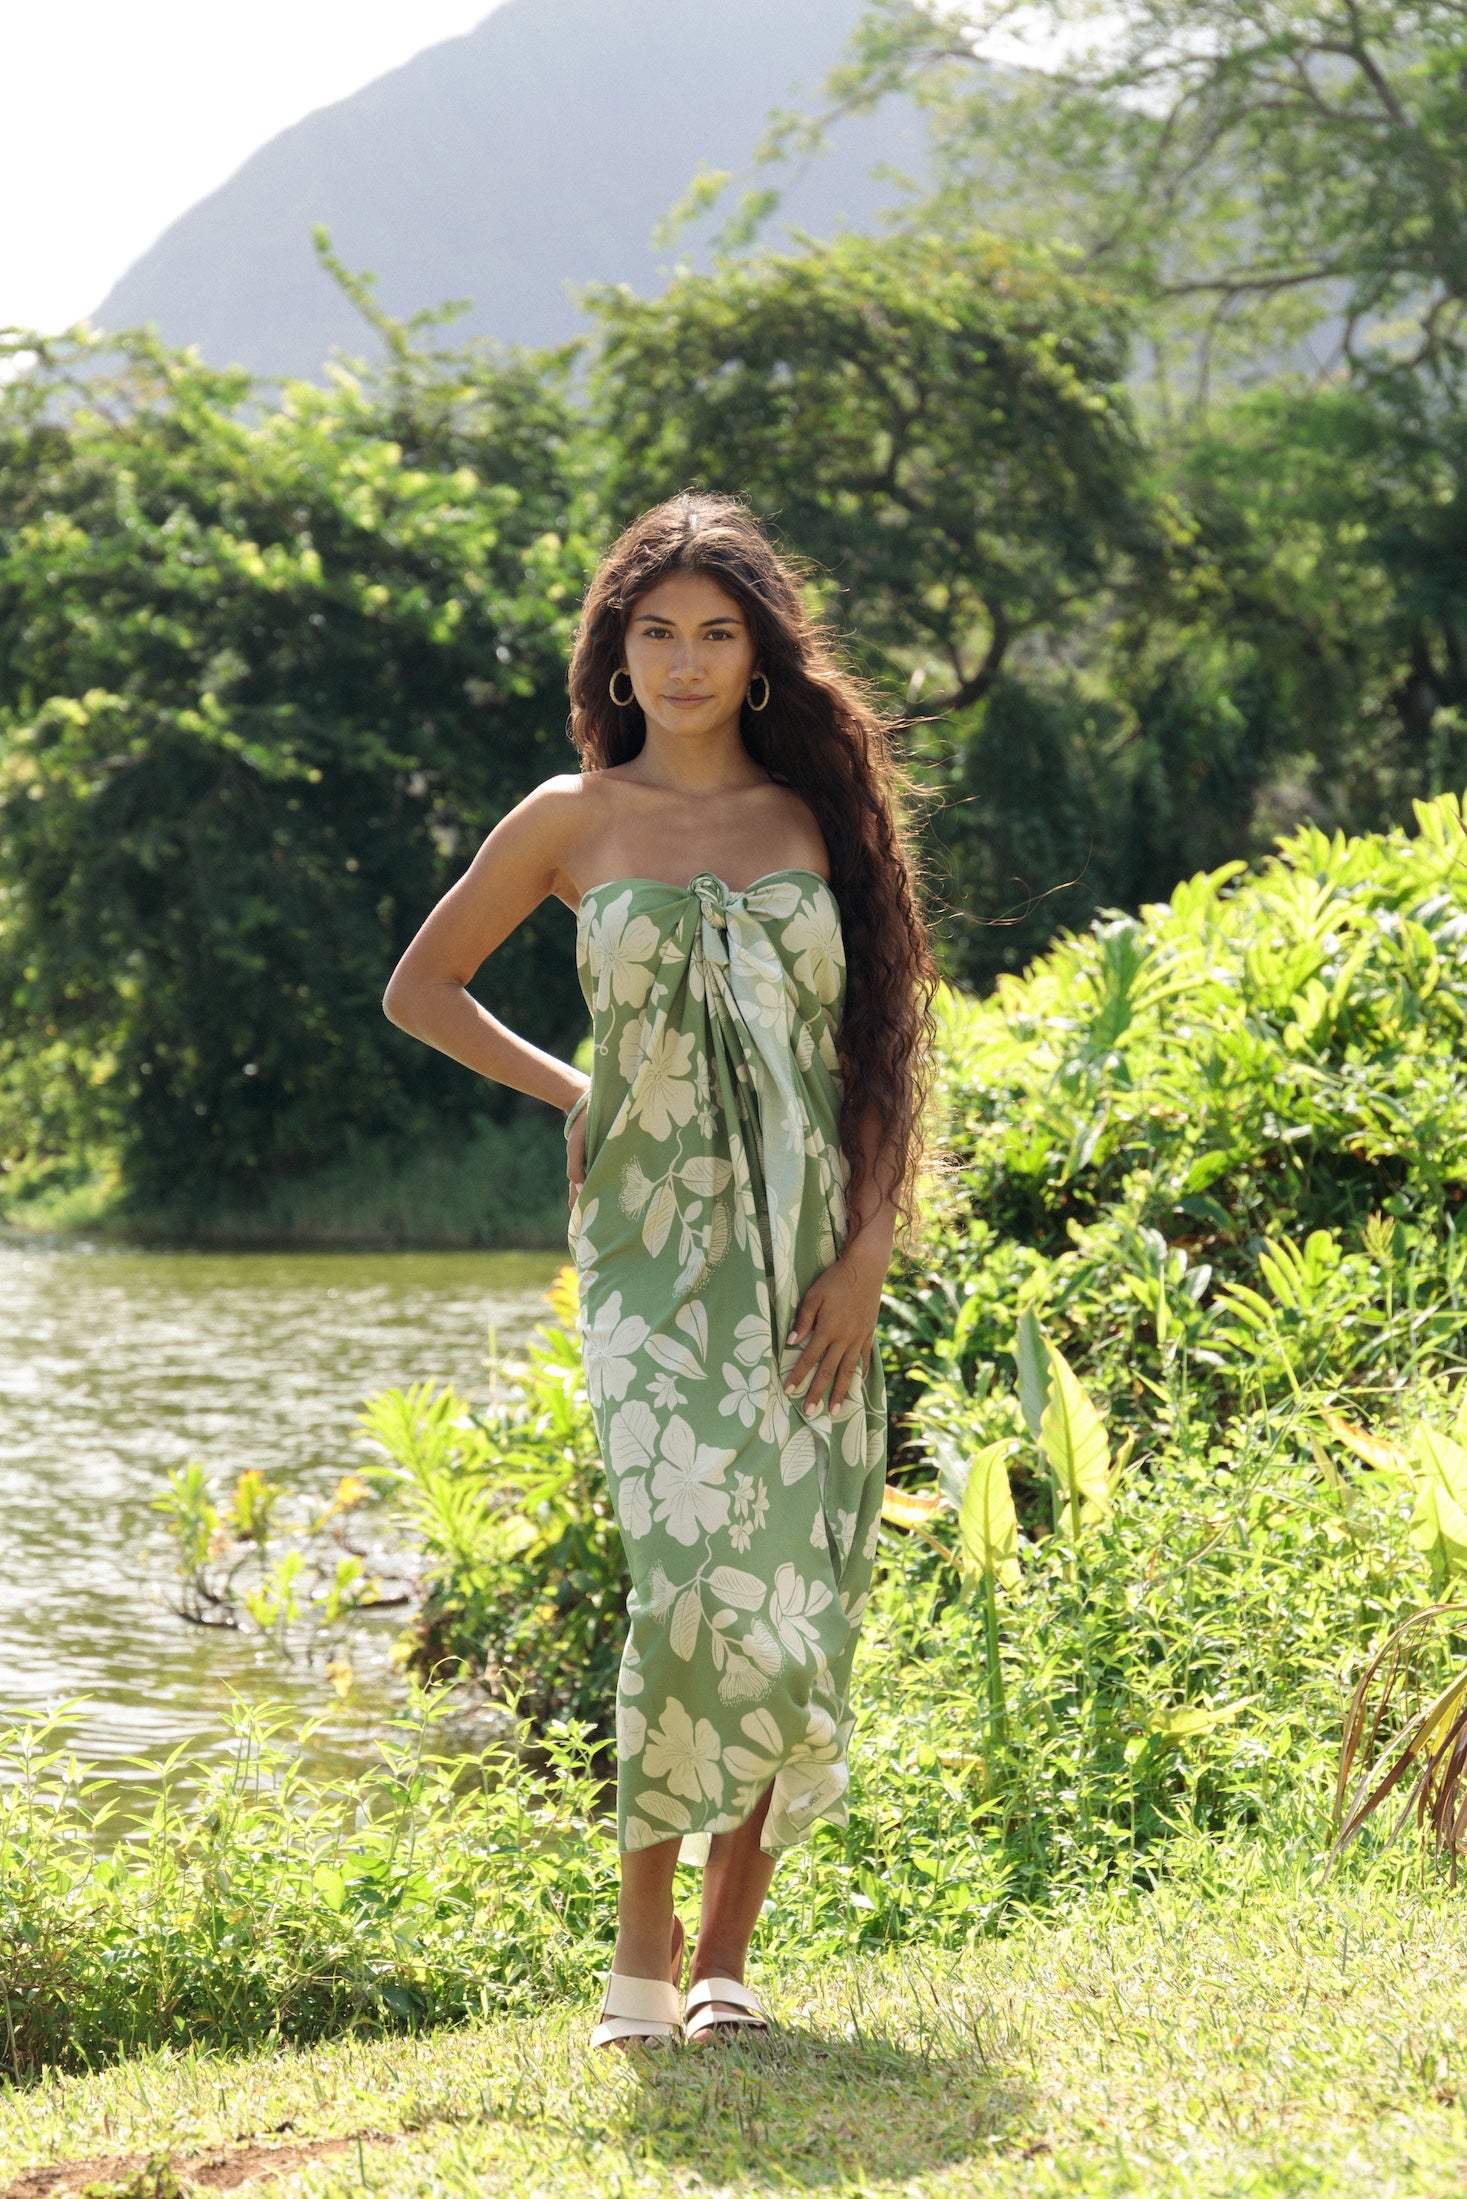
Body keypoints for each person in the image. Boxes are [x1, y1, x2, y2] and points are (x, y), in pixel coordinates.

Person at [384, 491, 935, 2048]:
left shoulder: (817, 821)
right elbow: (422, 989)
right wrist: (579, 1092)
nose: (685, 661)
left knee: (794, 1596)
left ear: (760, 656)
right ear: (616, 653)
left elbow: (889, 1050)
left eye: (716, 633)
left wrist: (864, 1260)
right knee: (689, 1581)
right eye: (656, 633)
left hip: (812, 1253)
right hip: (648, 1255)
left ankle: (723, 1963)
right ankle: (640, 1946)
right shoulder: (570, 818)